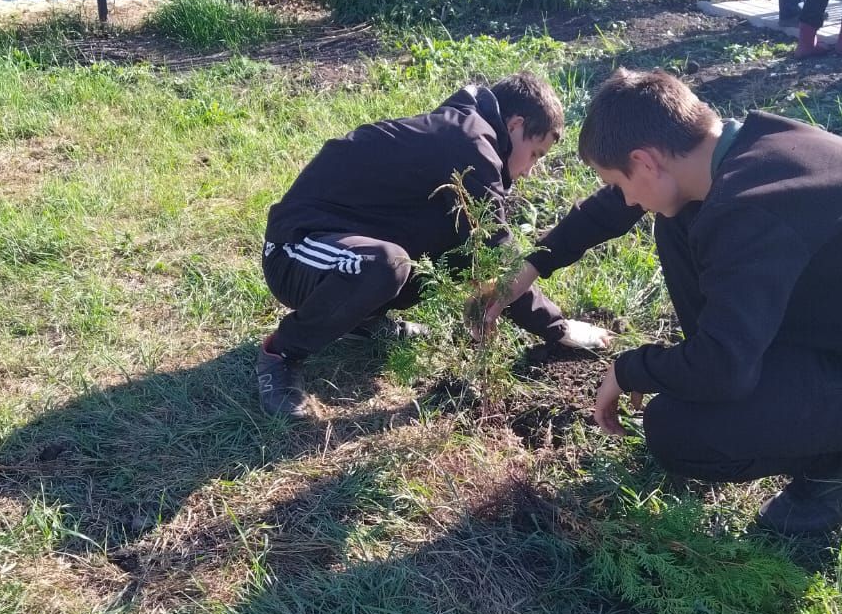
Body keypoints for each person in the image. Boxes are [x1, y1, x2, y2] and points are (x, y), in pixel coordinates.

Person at [481, 70, 842, 538]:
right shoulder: (729, 151)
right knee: (676, 217)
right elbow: (613, 207)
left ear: (646, 160)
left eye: (623, 182)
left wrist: (630, 370)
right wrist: (531, 267)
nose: (626, 197)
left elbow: (724, 369)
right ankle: (744, 372)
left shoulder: (751, 212)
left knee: (675, 430)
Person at [256, 74, 612, 418]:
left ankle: (362, 320)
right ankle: (281, 353)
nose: (531, 170)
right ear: (516, 125)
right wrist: (558, 327)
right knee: (384, 265)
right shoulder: (471, 146)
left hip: (343, 248)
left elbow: (478, 257)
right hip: (295, 251)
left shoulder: (467, 134)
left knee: (449, 256)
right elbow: (500, 261)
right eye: (536, 154)